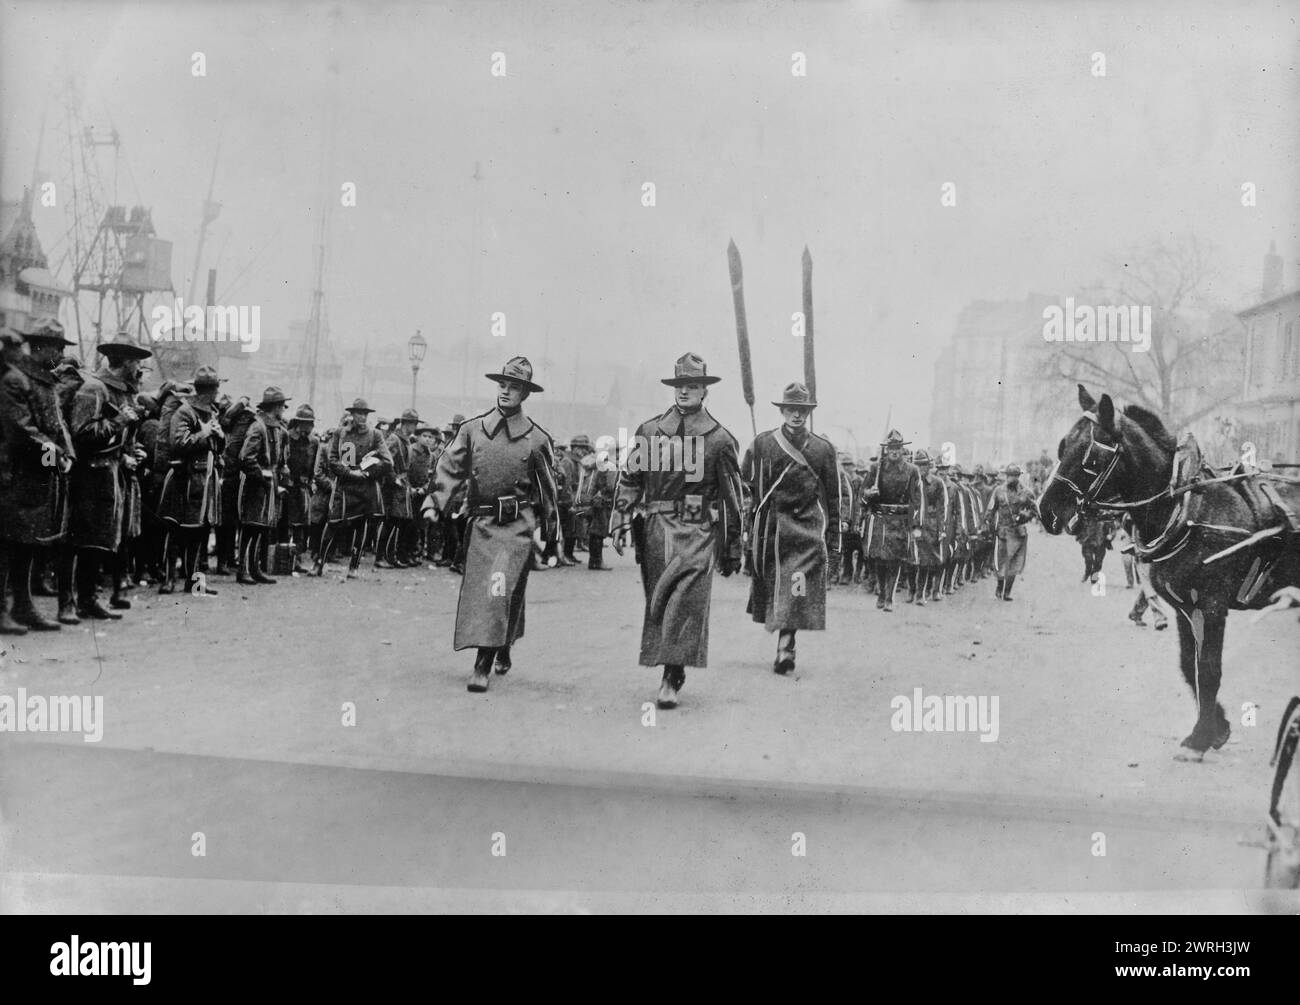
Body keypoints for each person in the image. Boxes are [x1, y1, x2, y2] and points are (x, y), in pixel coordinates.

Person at [610, 352, 743, 709]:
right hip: (657, 531)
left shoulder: (719, 440)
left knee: (686, 599)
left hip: (698, 532)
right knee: (661, 599)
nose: (685, 392)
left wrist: (732, 547)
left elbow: (733, 500)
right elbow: (630, 479)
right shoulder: (649, 432)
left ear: (704, 391)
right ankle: (672, 663)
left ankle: (671, 673)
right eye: (680, 385)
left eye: (693, 386)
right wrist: (621, 518)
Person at [430, 356, 559, 692]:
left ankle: (482, 664)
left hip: (517, 525)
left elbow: (548, 489)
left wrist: (551, 531)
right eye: (502, 385)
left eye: (514, 387)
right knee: (494, 591)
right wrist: (435, 503)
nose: (505, 391)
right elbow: (450, 469)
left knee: (498, 587)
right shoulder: (471, 430)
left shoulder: (537, 440)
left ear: (524, 394)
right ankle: (501, 645)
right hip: (483, 523)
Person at [741, 382, 839, 675]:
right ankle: (784, 638)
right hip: (773, 528)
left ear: (808, 413)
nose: (796, 415)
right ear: (782, 411)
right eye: (791, 409)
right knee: (777, 585)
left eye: (802, 410)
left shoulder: (822, 449)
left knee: (795, 586)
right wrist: (750, 524)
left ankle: (787, 644)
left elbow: (833, 495)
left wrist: (833, 534)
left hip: (807, 529)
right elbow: (747, 485)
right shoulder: (763, 444)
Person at [64, 331, 153, 620]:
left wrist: (134, 451)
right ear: (124, 361)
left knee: (101, 540)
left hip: (113, 476)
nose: (140, 368)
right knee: (81, 541)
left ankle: (89, 599)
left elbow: (125, 436)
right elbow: (81, 434)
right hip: (90, 476)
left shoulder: (123, 391)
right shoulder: (94, 388)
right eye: (137, 361)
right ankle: (71, 601)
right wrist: (118, 421)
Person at [0, 318, 76, 633]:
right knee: (7, 542)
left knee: (27, 542)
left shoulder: (45, 382)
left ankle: (24, 605)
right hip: (13, 474)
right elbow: (21, 431)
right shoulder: (16, 381)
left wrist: (67, 453)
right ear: (40, 347)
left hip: (36, 475)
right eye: (56, 348)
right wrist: (55, 456)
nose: (59, 354)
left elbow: (57, 425)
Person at [158, 367, 225, 596]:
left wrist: (219, 436)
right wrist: (205, 433)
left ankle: (194, 581)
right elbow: (179, 443)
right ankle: (168, 580)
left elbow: (216, 449)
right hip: (184, 479)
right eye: (216, 388)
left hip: (205, 481)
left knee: (200, 532)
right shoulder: (184, 412)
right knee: (176, 531)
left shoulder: (210, 413)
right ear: (211, 390)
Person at [314, 398, 391, 579]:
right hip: (345, 485)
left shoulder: (375, 435)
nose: (361, 417)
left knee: (360, 525)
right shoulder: (340, 433)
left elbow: (388, 462)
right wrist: (349, 473)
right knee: (333, 522)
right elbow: (332, 459)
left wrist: (368, 471)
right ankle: (319, 562)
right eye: (358, 413)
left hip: (365, 486)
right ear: (352, 414)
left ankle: (354, 567)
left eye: (364, 414)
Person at [861, 430, 921, 612]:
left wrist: (914, 525)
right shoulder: (876, 468)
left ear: (902, 449)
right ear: (886, 450)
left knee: (895, 560)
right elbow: (862, 493)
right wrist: (869, 494)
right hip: (880, 519)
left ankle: (889, 597)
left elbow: (916, 500)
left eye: (897, 448)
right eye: (891, 448)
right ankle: (881, 592)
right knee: (879, 559)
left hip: (899, 520)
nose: (894, 451)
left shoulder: (912, 471)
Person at [237, 387, 291, 585]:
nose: (283, 410)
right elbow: (246, 458)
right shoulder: (257, 427)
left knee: (262, 528)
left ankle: (255, 568)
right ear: (275, 407)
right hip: (255, 485)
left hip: (267, 485)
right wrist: (262, 476)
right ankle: (243, 570)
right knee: (250, 527)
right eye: (281, 407)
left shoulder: (274, 428)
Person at [984, 463, 1036, 601]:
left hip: (1018, 532)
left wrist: (1027, 515)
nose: (1012, 478)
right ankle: (999, 587)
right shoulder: (998, 491)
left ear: (1018, 477)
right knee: (1000, 562)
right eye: (1009, 475)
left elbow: (1035, 510)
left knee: (1015, 564)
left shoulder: (1027, 492)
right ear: (1006, 476)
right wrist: (987, 524)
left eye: (1014, 476)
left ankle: (1007, 592)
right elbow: (991, 509)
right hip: (1002, 531)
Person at [376, 408, 418, 568]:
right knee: (390, 521)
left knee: (398, 522)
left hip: (402, 486)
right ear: (404, 423)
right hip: (392, 487)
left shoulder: (405, 439)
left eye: (414, 423)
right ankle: (380, 557)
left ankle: (390, 556)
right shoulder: (395, 439)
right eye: (411, 423)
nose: (413, 426)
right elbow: (384, 458)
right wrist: (394, 478)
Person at [907, 448, 948, 605]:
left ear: (929, 466)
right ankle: (911, 591)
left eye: (924, 465)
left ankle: (921, 593)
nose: (921, 468)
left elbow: (942, 508)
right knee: (911, 559)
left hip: (930, 527)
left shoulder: (937, 483)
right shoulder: (911, 482)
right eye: (918, 465)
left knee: (926, 561)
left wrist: (941, 530)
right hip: (914, 526)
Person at [283, 404, 318, 573]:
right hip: (289, 486)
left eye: (310, 423)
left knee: (301, 526)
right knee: (287, 523)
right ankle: (285, 558)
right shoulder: (287, 437)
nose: (308, 426)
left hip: (304, 488)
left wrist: (311, 482)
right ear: (297, 422)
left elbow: (314, 466)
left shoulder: (314, 442)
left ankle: (297, 559)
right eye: (304, 422)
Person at [576, 434, 618, 570]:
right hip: (603, 501)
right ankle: (597, 561)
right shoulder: (610, 465)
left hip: (595, 500)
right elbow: (611, 486)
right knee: (599, 532)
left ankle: (594, 561)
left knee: (595, 531)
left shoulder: (598, 463)